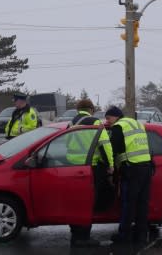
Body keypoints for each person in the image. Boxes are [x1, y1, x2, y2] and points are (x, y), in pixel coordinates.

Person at [66, 98, 115, 248]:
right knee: (89, 201)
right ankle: (84, 237)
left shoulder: (71, 123)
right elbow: (105, 145)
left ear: (78, 109)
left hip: (71, 166)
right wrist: (110, 166)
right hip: (90, 167)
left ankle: (75, 233)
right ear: (91, 109)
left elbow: (66, 143)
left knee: (75, 201)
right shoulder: (95, 122)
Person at [105, 106, 153, 247]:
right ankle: (141, 236)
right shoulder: (137, 124)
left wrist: (109, 166)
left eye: (108, 118)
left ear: (116, 116)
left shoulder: (119, 127)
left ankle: (124, 236)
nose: (107, 121)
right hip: (146, 168)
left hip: (132, 170)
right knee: (142, 204)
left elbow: (113, 149)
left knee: (129, 204)